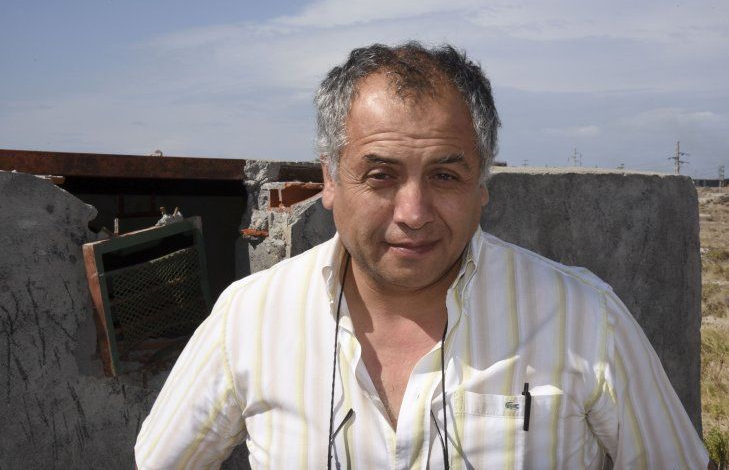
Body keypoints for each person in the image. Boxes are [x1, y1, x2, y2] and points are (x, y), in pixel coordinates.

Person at [135, 42, 710, 469]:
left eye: (444, 175)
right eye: (381, 175)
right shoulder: (250, 317)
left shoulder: (585, 318)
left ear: (482, 185)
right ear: (330, 180)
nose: (413, 212)